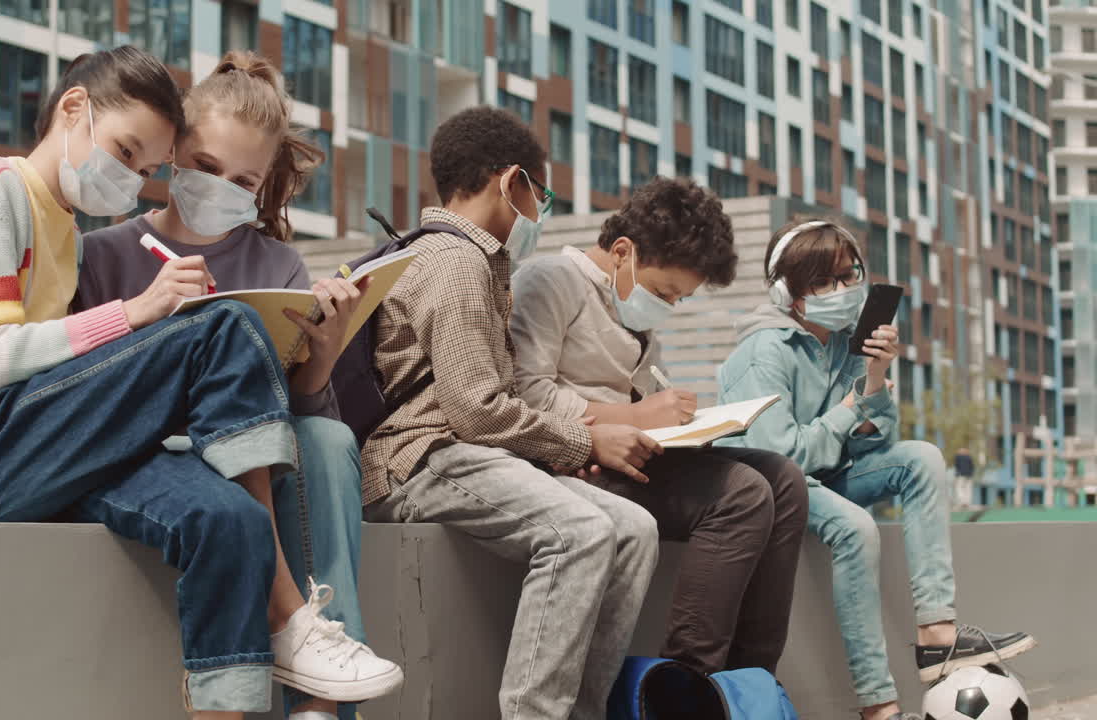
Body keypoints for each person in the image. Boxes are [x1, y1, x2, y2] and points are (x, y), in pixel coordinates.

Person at [0, 46, 361, 719]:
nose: (128, 179)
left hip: (45, 447)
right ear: (73, 108)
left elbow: (70, 387)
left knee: (230, 520)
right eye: (125, 153)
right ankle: (289, 618)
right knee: (222, 327)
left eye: (143, 168)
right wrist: (139, 314)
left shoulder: (63, 229)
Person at [72, 50, 400, 720]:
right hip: (153, 454)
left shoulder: (275, 260)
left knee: (330, 436)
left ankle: (319, 699)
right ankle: (306, 663)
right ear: (173, 154)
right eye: (204, 168)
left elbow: (304, 416)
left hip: (257, 455)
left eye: (241, 179)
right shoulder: (105, 254)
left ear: (263, 186)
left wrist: (323, 353)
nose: (219, 187)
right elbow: (80, 391)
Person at [360, 106, 662, 720]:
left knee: (635, 530)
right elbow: (476, 412)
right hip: (419, 458)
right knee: (578, 532)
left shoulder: (476, 259)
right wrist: (583, 445)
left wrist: (558, 450)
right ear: (511, 180)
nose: (539, 210)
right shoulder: (455, 260)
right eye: (539, 192)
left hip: (469, 457)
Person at [716, 219, 1037, 720]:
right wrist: (847, 410)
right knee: (856, 529)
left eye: (849, 276)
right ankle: (879, 707)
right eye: (822, 282)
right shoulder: (763, 352)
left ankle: (938, 635)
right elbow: (784, 459)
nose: (841, 291)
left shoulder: (849, 344)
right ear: (787, 293)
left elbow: (877, 441)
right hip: (772, 484)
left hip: (828, 475)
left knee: (922, 457)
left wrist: (875, 378)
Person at [508, 176, 808, 678]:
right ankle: (690, 686)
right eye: (666, 292)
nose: (668, 307)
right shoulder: (550, 280)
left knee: (784, 479)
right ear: (623, 251)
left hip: (634, 455)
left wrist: (683, 421)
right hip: (573, 463)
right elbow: (525, 393)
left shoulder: (631, 310)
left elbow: (635, 404)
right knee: (742, 494)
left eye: (678, 300)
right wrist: (637, 415)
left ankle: (751, 683)